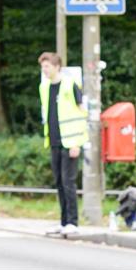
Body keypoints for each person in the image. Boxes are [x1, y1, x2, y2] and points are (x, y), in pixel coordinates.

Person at [38, 52, 88, 235]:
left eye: (47, 66)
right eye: (42, 67)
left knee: (69, 182)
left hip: (70, 141)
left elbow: (82, 114)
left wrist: (77, 142)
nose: (44, 70)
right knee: (59, 181)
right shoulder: (44, 87)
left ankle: (73, 221)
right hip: (54, 141)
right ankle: (63, 220)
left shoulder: (69, 85)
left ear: (57, 66)